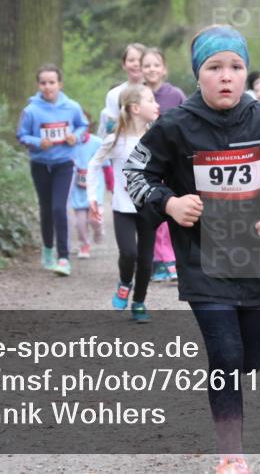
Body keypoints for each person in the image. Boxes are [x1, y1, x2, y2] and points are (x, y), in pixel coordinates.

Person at [124, 25, 260, 473]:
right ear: (197, 74)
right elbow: (135, 173)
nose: (226, 76)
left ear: (246, 73)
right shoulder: (174, 125)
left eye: (236, 66)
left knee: (250, 359)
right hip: (202, 262)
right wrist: (168, 201)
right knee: (224, 355)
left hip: (256, 262)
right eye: (214, 67)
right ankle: (232, 452)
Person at [88, 84, 161, 322]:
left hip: (148, 209)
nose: (157, 105)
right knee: (129, 253)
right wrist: (92, 197)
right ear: (136, 108)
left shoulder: (157, 138)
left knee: (146, 260)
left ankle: (139, 302)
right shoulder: (115, 140)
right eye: (151, 100)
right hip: (123, 209)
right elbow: (93, 165)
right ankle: (124, 282)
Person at [16, 64, 87, 276]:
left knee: (59, 208)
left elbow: (82, 126)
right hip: (40, 164)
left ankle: (63, 257)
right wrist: (38, 142)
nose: (48, 87)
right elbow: (22, 135)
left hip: (64, 164)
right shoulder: (30, 110)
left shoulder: (72, 106)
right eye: (43, 83)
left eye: (52, 82)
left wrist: (75, 135)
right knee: (46, 209)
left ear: (60, 84)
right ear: (38, 85)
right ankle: (47, 249)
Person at [141, 47, 186, 282]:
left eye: (156, 64)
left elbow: (188, 120)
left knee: (169, 205)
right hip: (147, 161)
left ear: (164, 69)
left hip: (172, 160)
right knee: (151, 207)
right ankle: (157, 260)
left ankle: (169, 257)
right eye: (147, 65)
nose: (151, 69)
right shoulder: (136, 95)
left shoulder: (175, 94)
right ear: (140, 69)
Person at [70, 108, 105, 259]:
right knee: (80, 222)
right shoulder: (70, 145)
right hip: (77, 188)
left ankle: (98, 231)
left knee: (94, 219)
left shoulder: (97, 142)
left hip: (95, 187)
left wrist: (111, 184)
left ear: (88, 125)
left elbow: (107, 165)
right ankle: (84, 245)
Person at [99, 43, 146, 136]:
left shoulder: (155, 92)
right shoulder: (114, 94)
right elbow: (109, 127)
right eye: (131, 60)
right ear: (124, 65)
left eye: (140, 60)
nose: (136, 64)